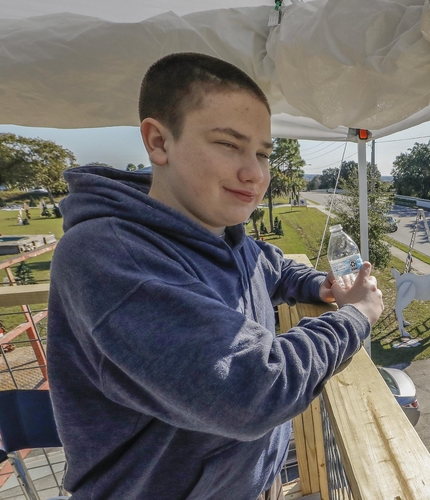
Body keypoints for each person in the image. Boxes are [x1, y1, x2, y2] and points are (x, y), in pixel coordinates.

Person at [47, 52, 384, 500]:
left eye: (263, 153)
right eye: (229, 144)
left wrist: (313, 285)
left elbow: (269, 265)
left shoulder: (221, 234)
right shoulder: (109, 257)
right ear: (158, 142)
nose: (255, 173)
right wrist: (356, 317)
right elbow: (255, 389)